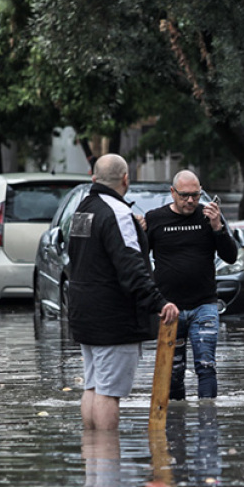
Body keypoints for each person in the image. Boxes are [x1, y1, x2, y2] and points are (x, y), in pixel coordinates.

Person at [66, 154, 179, 430]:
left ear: (94, 178)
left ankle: (94, 461)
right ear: (126, 179)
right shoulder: (118, 213)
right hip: (114, 318)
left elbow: (81, 255)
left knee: (93, 386)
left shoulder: (83, 209)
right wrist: (158, 303)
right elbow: (131, 267)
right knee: (109, 392)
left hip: (84, 312)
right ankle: (107, 464)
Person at [144, 170, 241, 401]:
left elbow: (231, 256)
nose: (190, 201)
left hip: (203, 305)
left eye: (195, 196)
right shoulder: (155, 218)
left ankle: (208, 421)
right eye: (184, 195)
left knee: (206, 365)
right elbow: (139, 259)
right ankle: (176, 423)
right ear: (172, 193)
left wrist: (218, 226)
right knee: (173, 371)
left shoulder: (209, 216)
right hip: (169, 308)